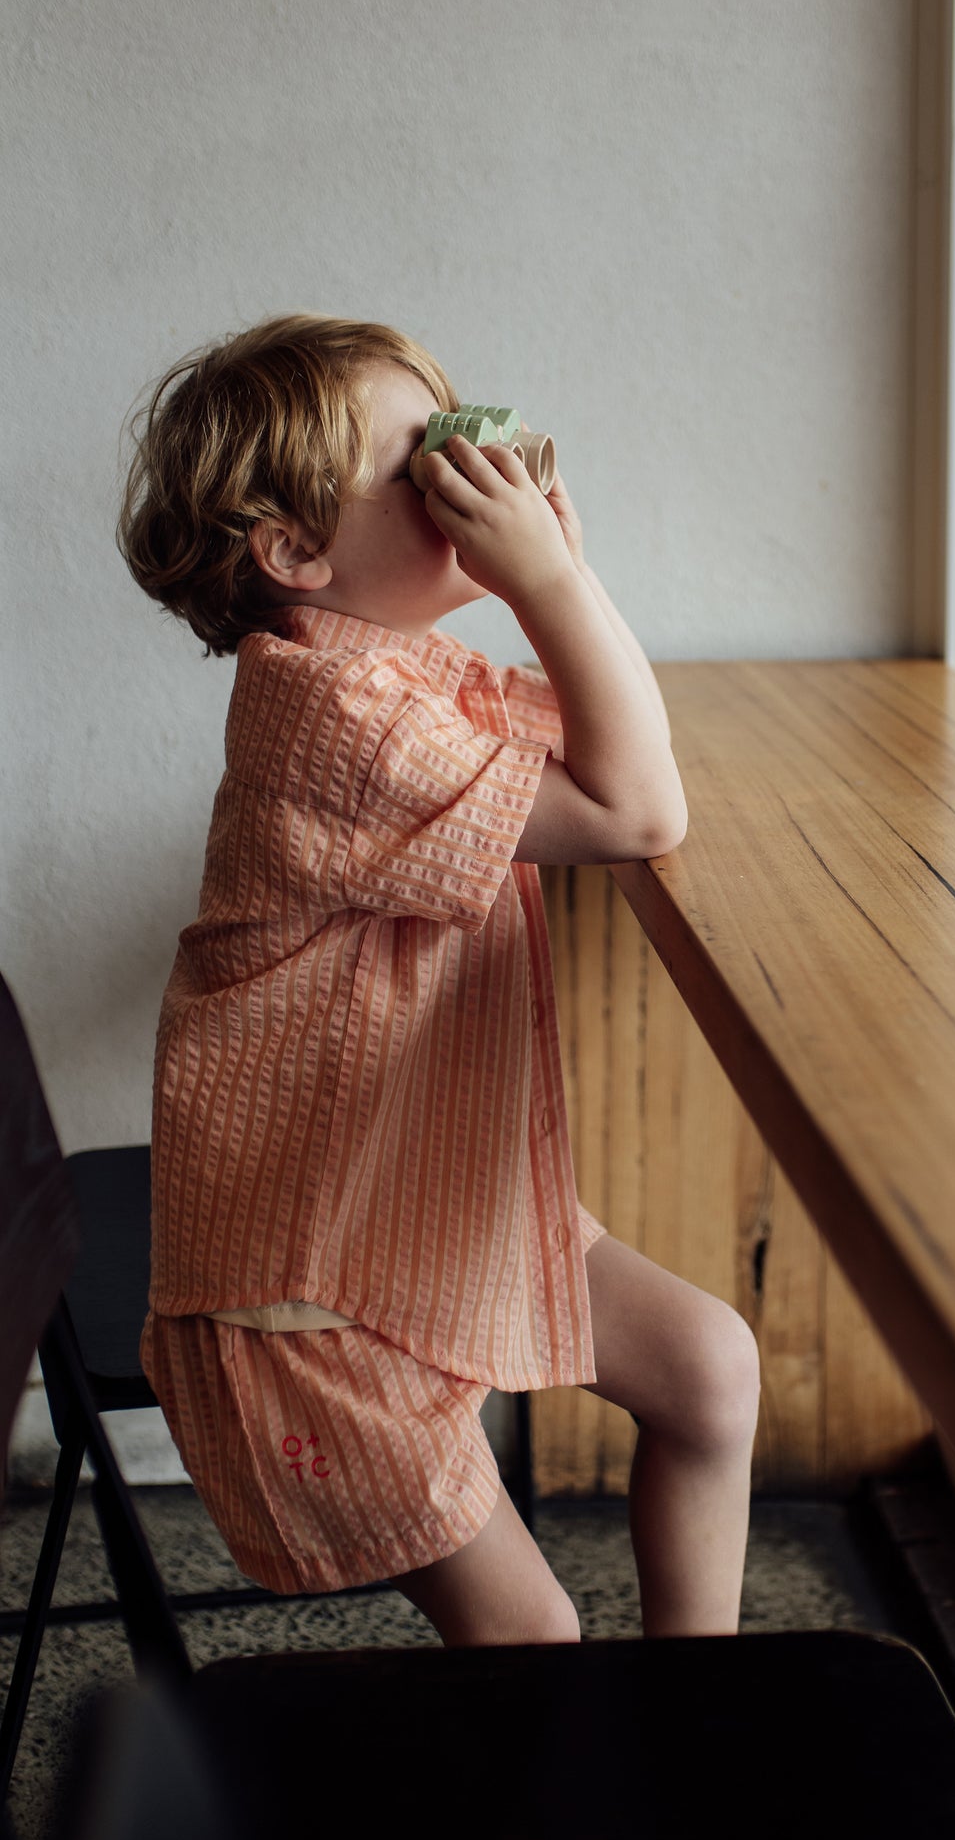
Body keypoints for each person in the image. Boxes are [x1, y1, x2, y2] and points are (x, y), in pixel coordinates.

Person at [117, 313, 760, 1647]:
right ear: (297, 551)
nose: (476, 480)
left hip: (418, 1198)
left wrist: (555, 573)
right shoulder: (338, 724)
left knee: (708, 1369)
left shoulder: (401, 663)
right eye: (423, 465)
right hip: (310, 1281)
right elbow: (638, 814)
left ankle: (700, 1715)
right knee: (533, 1645)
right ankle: (553, 1838)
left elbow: (612, 750)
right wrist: (550, 588)